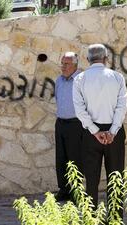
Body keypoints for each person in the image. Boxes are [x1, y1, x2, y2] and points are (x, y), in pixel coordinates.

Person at [73, 44, 127, 218]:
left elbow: (79, 110)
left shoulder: (80, 79)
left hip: (90, 135)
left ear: (88, 59)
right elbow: (122, 106)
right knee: (116, 176)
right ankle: (115, 218)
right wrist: (112, 131)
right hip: (114, 133)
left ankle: (91, 218)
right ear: (105, 58)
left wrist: (95, 131)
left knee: (91, 178)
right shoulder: (117, 77)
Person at [54, 52, 84, 202]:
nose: (63, 67)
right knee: (61, 158)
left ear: (75, 65)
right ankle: (64, 190)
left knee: (75, 157)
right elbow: (58, 98)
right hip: (60, 123)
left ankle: (77, 191)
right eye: (62, 63)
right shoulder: (59, 80)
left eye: (66, 64)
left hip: (76, 124)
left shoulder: (81, 80)